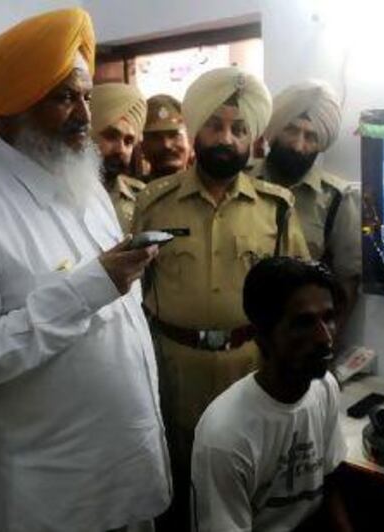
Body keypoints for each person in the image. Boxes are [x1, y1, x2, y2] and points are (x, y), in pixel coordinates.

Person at [0, 8, 171, 531]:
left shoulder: (84, 180)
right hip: (62, 495)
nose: (84, 113)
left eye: (86, 96)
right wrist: (89, 287)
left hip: (133, 472)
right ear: (11, 109)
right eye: (63, 98)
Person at [131, 66, 310, 530]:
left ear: (251, 139)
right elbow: (133, 293)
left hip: (249, 366)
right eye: (214, 125)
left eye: (238, 129)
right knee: (178, 479)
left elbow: (298, 297)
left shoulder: (277, 206)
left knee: (249, 480)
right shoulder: (152, 203)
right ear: (197, 130)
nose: (225, 138)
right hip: (174, 369)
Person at [192, 257, 352, 532]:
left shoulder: (324, 387)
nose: (325, 337)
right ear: (262, 335)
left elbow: (329, 480)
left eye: (328, 318)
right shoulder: (225, 435)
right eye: (304, 323)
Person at [256, 80, 361, 327]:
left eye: (310, 136)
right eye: (291, 129)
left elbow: (347, 284)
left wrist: (325, 345)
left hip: (300, 339)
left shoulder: (338, 199)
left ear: (322, 142)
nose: (297, 144)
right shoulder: (241, 183)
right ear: (275, 128)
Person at [90, 82, 148, 232]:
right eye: (110, 136)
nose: (121, 149)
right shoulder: (59, 197)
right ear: (87, 136)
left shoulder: (144, 197)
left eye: (128, 141)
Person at [141, 94, 192, 182]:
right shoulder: (131, 193)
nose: (166, 145)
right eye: (155, 137)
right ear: (142, 145)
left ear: (190, 140)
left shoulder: (211, 188)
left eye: (174, 135)